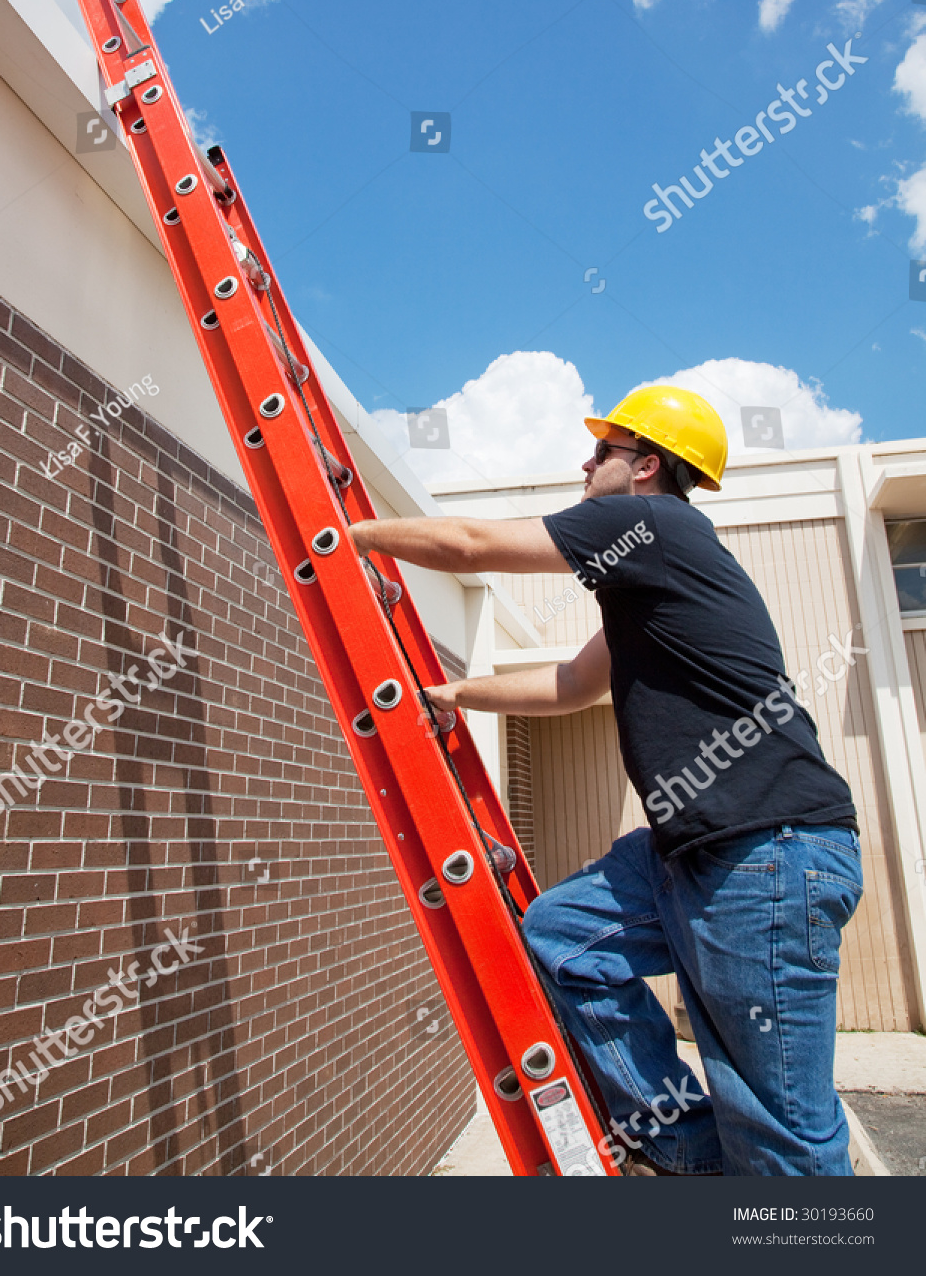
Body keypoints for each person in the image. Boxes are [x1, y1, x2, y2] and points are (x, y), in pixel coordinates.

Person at [348, 385, 862, 1177]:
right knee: (562, 937)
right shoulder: (648, 574)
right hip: (691, 851)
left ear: (646, 466)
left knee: (779, 1127)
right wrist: (455, 696)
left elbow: (465, 543)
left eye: (603, 451)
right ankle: (697, 1164)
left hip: (766, 848)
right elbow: (570, 684)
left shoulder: (649, 523)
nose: (586, 463)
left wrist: (345, 535)